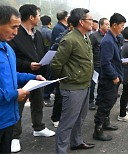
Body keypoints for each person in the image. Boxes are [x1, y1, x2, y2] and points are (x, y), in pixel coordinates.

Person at [8, 4, 55, 153]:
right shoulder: (15, 34)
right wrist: (28, 64)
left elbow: (41, 50)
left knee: (38, 102)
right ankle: (14, 137)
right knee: (18, 106)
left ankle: (39, 127)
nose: (40, 18)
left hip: (37, 74)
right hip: (21, 75)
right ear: (31, 17)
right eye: (39, 15)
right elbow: (11, 58)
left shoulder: (38, 34)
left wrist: (45, 60)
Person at [0, 5, 45, 153]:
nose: (16, 32)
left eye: (18, 28)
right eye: (13, 27)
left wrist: (33, 77)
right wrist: (15, 94)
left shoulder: (8, 49)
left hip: (8, 119)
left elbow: (13, 75)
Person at [51, 8, 95, 154]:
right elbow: (56, 63)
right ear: (81, 22)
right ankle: (61, 150)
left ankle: (76, 142)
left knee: (80, 118)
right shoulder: (69, 39)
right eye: (90, 19)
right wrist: (63, 79)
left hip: (84, 84)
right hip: (73, 87)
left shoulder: (85, 37)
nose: (92, 22)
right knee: (67, 122)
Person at [93, 13, 126, 141]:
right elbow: (105, 62)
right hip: (109, 79)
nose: (122, 28)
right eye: (121, 26)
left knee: (110, 101)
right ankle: (98, 130)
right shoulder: (107, 40)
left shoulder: (114, 38)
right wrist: (114, 76)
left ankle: (105, 123)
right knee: (105, 103)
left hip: (114, 75)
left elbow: (113, 58)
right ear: (114, 25)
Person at [89, 18, 110, 110]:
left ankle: (99, 100)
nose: (108, 26)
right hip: (95, 64)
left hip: (104, 65)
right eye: (106, 24)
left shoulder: (108, 36)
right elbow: (89, 51)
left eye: (109, 24)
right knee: (92, 84)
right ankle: (90, 101)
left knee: (102, 84)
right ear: (101, 25)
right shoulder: (94, 36)